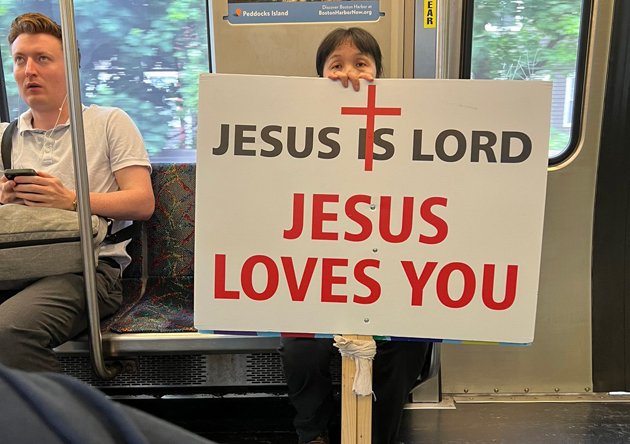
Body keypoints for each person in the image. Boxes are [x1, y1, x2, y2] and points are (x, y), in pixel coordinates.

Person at [278, 28, 430, 444]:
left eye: (361, 63)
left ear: (378, 72)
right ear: (319, 75)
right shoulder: (292, 134)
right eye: (336, 65)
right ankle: (313, 434)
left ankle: (378, 436)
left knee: (405, 345)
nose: (349, 73)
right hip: (314, 279)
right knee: (302, 352)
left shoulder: (413, 133)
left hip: (387, 277)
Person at [0, 12, 155, 372]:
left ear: (70, 68)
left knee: (7, 333)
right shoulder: (5, 137)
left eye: (42, 59)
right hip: (12, 264)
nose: (29, 70)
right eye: (20, 60)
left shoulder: (107, 123)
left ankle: (70, 425)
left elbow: (141, 201)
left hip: (86, 270)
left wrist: (69, 200)